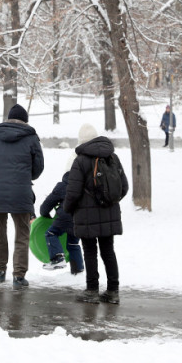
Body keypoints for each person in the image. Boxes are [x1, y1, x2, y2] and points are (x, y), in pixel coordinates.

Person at [0, 103, 44, 290]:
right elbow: (38, 168)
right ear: (25, 120)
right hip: (21, 193)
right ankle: (19, 276)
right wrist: (24, 176)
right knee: (22, 233)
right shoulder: (31, 138)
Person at [63, 128, 129, 304]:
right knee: (108, 251)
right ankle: (113, 291)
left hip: (86, 216)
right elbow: (124, 187)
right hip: (110, 213)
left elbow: (73, 191)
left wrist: (68, 208)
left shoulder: (81, 160)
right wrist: (108, 202)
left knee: (90, 251)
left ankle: (92, 291)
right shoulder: (113, 157)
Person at [38, 125, 94, 275]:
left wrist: (45, 215)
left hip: (65, 217)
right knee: (73, 244)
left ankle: (57, 258)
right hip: (80, 219)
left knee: (51, 234)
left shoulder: (63, 185)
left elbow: (46, 206)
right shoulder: (87, 183)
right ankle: (78, 270)